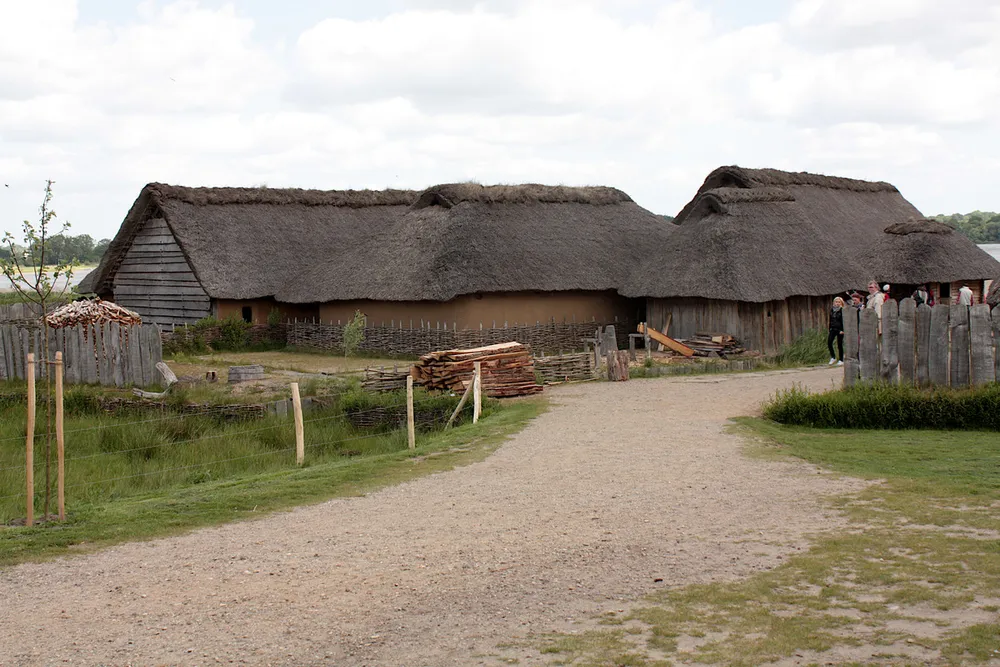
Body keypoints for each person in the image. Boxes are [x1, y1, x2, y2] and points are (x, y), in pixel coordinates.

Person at [828, 296, 845, 366]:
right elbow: (830, 319)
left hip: (840, 329)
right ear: (833, 303)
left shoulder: (842, 310)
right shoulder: (832, 310)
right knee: (829, 342)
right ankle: (833, 357)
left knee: (839, 344)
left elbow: (843, 321)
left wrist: (843, 330)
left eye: (839, 302)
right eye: (836, 302)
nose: (837, 303)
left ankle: (841, 359)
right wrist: (830, 328)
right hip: (833, 328)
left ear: (841, 303)